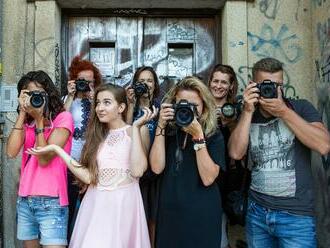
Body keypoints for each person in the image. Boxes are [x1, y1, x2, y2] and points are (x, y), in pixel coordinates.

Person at [28, 83, 156, 248]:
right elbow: (89, 177)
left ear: (121, 107)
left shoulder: (135, 131)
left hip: (124, 204)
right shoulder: (96, 136)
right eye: (98, 103)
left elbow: (138, 170)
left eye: (107, 102)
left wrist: (137, 127)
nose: (100, 108)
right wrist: (56, 149)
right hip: (96, 204)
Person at [228, 57, 330, 248]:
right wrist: (248, 111)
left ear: (282, 85)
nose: (271, 90)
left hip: (296, 216)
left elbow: (323, 145)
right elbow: (235, 153)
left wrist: (283, 111)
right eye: (265, 85)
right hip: (257, 211)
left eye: (277, 85)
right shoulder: (248, 113)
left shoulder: (300, 108)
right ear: (253, 85)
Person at [149, 76, 226, 248]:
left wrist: (198, 136)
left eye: (194, 106)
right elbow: (156, 167)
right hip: (169, 215)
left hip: (201, 215)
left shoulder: (213, 134)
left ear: (204, 107)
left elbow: (208, 178)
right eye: (182, 104)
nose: (187, 110)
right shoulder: (167, 131)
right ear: (173, 104)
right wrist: (161, 125)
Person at [6, 70, 74, 248]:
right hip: (26, 199)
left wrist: (39, 121)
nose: (36, 97)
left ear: (49, 94)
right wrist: (22, 113)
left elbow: (44, 159)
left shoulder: (63, 119)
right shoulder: (26, 123)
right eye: (30, 93)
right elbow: (11, 152)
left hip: (52, 201)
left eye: (40, 93)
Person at [63, 55, 102, 238]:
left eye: (90, 81)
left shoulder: (99, 103)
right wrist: (70, 96)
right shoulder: (67, 99)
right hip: (69, 164)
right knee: (68, 209)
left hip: (92, 164)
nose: (85, 84)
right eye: (81, 81)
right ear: (73, 80)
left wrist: (96, 99)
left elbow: (103, 125)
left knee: (92, 212)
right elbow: (59, 121)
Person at [208, 64, 242, 248]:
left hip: (227, 177)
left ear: (231, 86)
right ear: (210, 82)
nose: (218, 86)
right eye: (215, 81)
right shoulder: (200, 106)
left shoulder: (236, 109)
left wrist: (230, 122)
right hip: (203, 171)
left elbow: (240, 148)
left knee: (220, 226)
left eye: (224, 82)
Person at [126, 66, 160, 246]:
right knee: (134, 217)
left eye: (149, 81)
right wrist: (131, 105)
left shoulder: (160, 107)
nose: (145, 85)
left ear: (155, 85)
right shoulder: (129, 105)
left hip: (155, 172)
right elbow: (123, 132)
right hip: (133, 171)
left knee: (153, 217)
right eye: (141, 81)